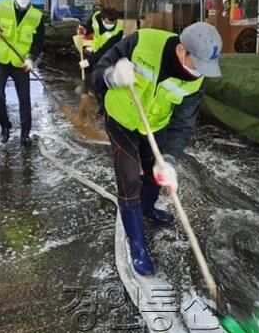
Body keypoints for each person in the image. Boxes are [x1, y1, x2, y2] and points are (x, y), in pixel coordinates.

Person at [92, 23, 222, 276]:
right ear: (181, 50)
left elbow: (183, 124)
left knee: (155, 174)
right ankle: (138, 247)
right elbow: (97, 71)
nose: (200, 73)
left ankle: (148, 208)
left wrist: (170, 160)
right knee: (129, 179)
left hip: (155, 126)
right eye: (198, 64)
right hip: (122, 120)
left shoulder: (197, 81)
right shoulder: (142, 41)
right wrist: (111, 77)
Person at [0, 0, 45, 146]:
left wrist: (31, 59)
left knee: (24, 100)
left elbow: (39, 41)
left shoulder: (36, 15)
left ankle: (25, 133)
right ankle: (5, 126)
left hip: (21, 64)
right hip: (0, 60)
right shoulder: (0, 6)